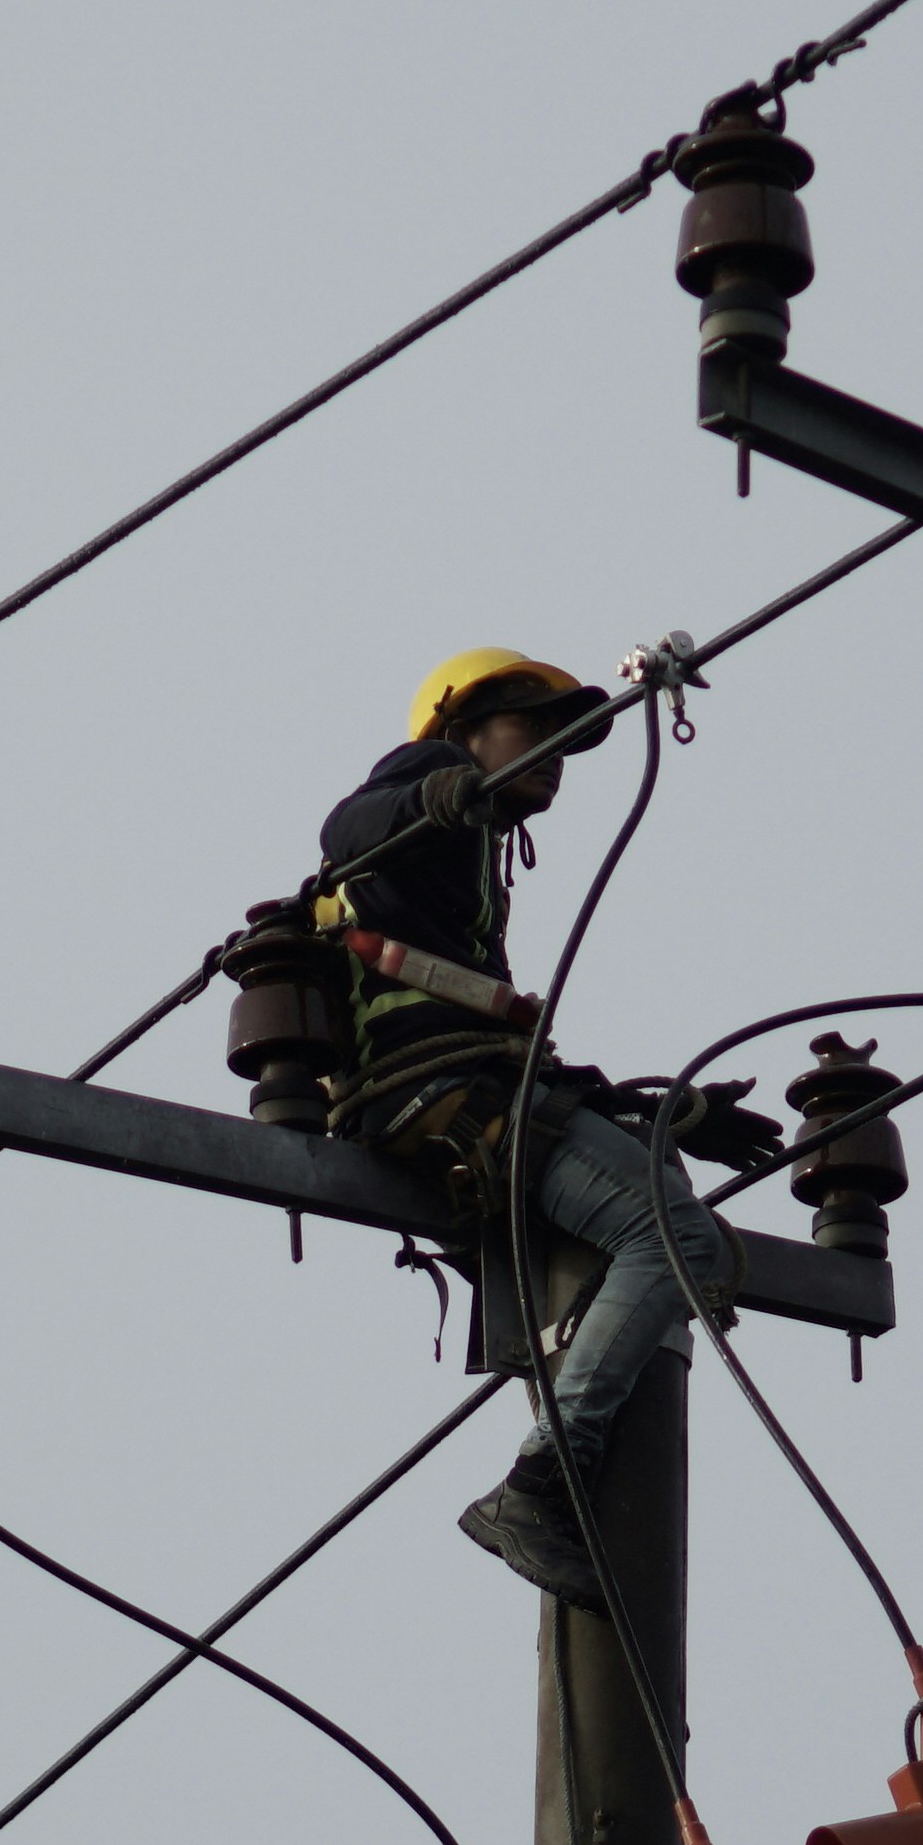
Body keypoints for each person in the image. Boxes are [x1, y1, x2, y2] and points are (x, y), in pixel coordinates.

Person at [320, 649, 773, 1607]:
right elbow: (349, 824)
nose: (560, 753)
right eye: (536, 726)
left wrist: (665, 1118)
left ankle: (555, 1467)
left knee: (664, 1202)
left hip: (472, 1083)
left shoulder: (470, 879)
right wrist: (437, 794)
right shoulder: (422, 796)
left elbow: (501, 1042)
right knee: (672, 1231)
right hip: (432, 1090)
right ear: (460, 730)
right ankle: (539, 1485)